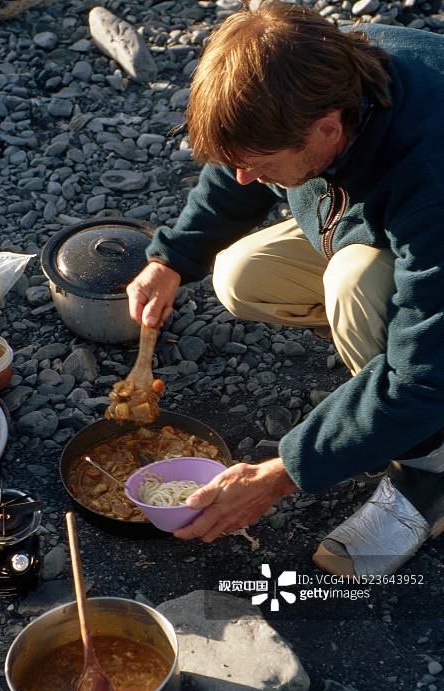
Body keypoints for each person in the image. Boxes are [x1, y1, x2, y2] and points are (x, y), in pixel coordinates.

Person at [126, 0, 444, 577]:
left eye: (261, 164)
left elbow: (422, 379)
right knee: (240, 274)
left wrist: (282, 474)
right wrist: (172, 259)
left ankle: (431, 470)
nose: (245, 177)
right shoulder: (310, 81)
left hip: (431, 238)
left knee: (355, 287)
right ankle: (380, 353)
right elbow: (237, 163)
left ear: (328, 130)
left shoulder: (431, 167)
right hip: (389, 226)